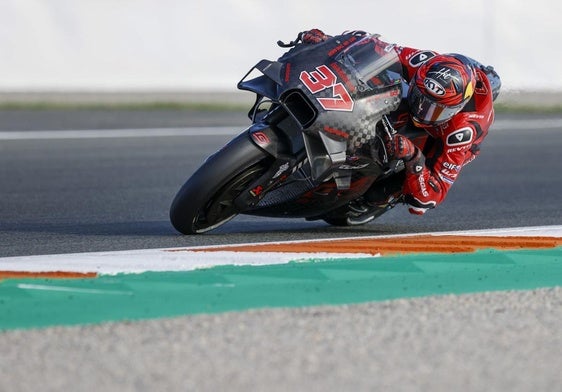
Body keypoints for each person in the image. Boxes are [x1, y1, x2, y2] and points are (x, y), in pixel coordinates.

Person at [301, 29, 501, 223]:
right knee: (378, 78)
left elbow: (432, 195)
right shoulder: (424, 62)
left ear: (455, 108)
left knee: (411, 198)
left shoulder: (463, 130)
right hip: (409, 98)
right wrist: (328, 42)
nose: (422, 111)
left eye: (435, 109)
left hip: (439, 137)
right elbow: (376, 48)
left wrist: (413, 157)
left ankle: (382, 197)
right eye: (421, 98)